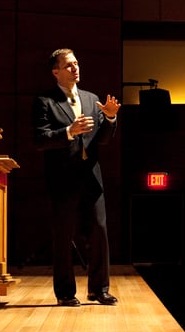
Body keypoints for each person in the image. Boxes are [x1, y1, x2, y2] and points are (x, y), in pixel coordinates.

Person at [32, 48, 121, 307]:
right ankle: (65, 293)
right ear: (55, 72)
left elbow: (101, 140)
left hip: (91, 179)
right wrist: (69, 131)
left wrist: (111, 118)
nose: (75, 68)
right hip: (63, 179)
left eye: (76, 63)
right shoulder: (45, 101)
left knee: (99, 232)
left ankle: (99, 289)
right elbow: (39, 140)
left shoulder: (91, 98)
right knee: (63, 236)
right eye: (69, 65)